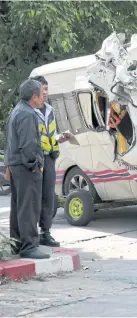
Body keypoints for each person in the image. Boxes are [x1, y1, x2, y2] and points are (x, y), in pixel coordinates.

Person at [4, 79, 48, 259]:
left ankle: (17, 243)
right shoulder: (28, 114)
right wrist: (35, 165)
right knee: (29, 206)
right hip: (25, 166)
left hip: (15, 164)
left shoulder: (17, 111)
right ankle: (29, 245)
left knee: (19, 206)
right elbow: (28, 145)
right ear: (34, 96)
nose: (43, 97)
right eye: (41, 94)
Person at [30, 75, 61, 247]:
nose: (46, 93)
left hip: (49, 157)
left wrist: (58, 142)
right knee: (35, 196)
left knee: (49, 196)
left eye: (47, 89)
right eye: (43, 89)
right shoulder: (29, 111)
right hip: (35, 158)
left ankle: (45, 232)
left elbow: (51, 133)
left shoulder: (50, 109)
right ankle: (31, 233)